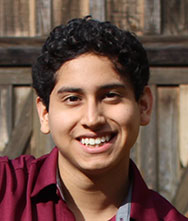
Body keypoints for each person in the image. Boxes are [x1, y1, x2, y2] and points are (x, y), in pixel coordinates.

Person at [0, 16, 187, 221]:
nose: (92, 119)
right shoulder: (5, 189)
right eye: (72, 99)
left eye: (110, 96)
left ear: (143, 105)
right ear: (45, 113)